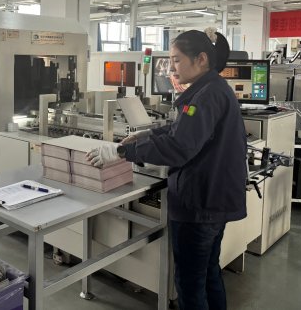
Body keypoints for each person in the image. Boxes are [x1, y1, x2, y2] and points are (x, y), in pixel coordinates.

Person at [87, 29, 247, 310]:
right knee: (209, 273)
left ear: (201, 59)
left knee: (190, 284)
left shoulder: (205, 96)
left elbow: (179, 147)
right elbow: (182, 130)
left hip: (200, 204)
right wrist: (147, 135)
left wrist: (122, 152)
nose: (171, 67)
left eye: (176, 60)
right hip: (214, 201)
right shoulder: (212, 88)